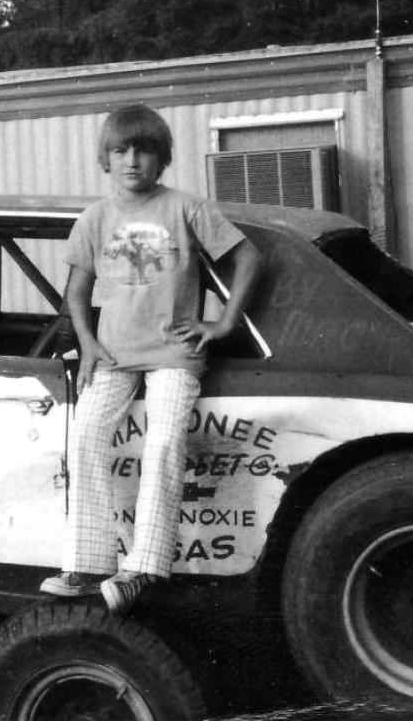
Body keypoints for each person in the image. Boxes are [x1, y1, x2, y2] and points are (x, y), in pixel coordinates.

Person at [40, 104, 260, 613]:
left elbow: (249, 257)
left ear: (162, 158)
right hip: (113, 354)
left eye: (144, 150)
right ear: (106, 158)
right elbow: (77, 291)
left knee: (162, 444)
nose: (132, 160)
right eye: (121, 150)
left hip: (174, 354)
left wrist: (223, 323)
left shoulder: (186, 208)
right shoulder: (95, 218)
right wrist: (88, 343)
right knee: (84, 436)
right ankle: (87, 563)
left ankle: (143, 567)